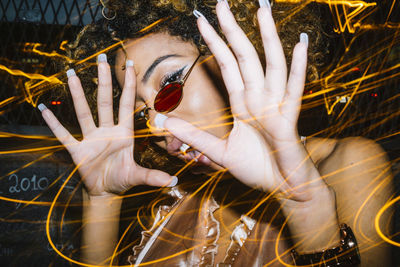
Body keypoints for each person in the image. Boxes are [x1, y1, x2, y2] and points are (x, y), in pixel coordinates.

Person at [38, 0, 393, 266]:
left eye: (169, 85)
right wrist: (101, 202)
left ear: (230, 55)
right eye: (140, 115)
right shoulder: (168, 202)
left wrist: (308, 210)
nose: (156, 127)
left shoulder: (348, 165)